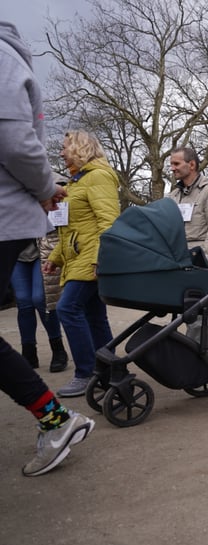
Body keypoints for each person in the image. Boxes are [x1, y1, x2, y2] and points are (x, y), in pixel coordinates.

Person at [1, 20, 94, 476]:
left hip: (12, 223)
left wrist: (42, 190)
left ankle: (66, 399)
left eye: (68, 149)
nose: (64, 154)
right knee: (38, 306)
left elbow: (16, 141)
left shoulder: (2, 57)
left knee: (62, 307)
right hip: (47, 243)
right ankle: (60, 409)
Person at [44, 130, 120, 397]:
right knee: (95, 317)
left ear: (80, 148)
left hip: (91, 258)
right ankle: (112, 370)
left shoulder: (98, 177)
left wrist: (102, 257)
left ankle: (87, 372)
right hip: (78, 257)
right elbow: (71, 228)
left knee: (68, 308)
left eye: (65, 147)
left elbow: (108, 222)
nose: (62, 152)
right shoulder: (76, 182)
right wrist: (55, 258)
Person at [167, 146, 208, 353]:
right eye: (171, 163)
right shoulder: (173, 196)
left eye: (176, 163)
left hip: (198, 262)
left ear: (191, 164)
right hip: (177, 261)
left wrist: (205, 261)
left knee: (196, 315)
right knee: (192, 314)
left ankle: (198, 360)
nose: (171, 168)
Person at [11, 230, 68, 372]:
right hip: (15, 253)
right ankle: (28, 354)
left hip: (43, 249)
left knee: (40, 298)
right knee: (23, 301)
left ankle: (58, 349)